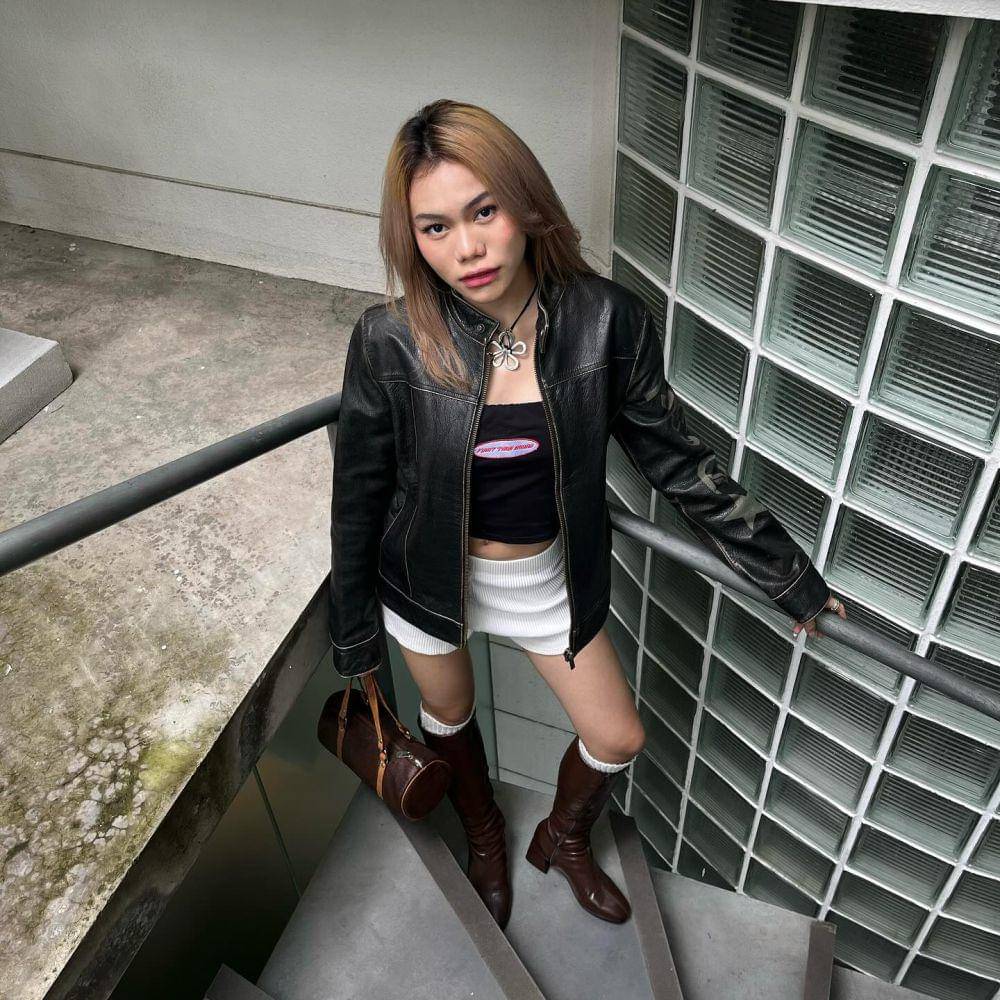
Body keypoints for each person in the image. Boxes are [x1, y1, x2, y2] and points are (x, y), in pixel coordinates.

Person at [328, 99, 848, 931]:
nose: (466, 249)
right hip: (425, 582)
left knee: (617, 737)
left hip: (543, 580)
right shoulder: (389, 338)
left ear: (526, 204)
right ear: (411, 237)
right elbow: (357, 493)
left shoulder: (608, 321)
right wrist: (354, 635)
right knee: (448, 716)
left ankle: (564, 837)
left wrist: (790, 579)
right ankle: (485, 833)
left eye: (484, 212)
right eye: (435, 228)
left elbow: (678, 461)